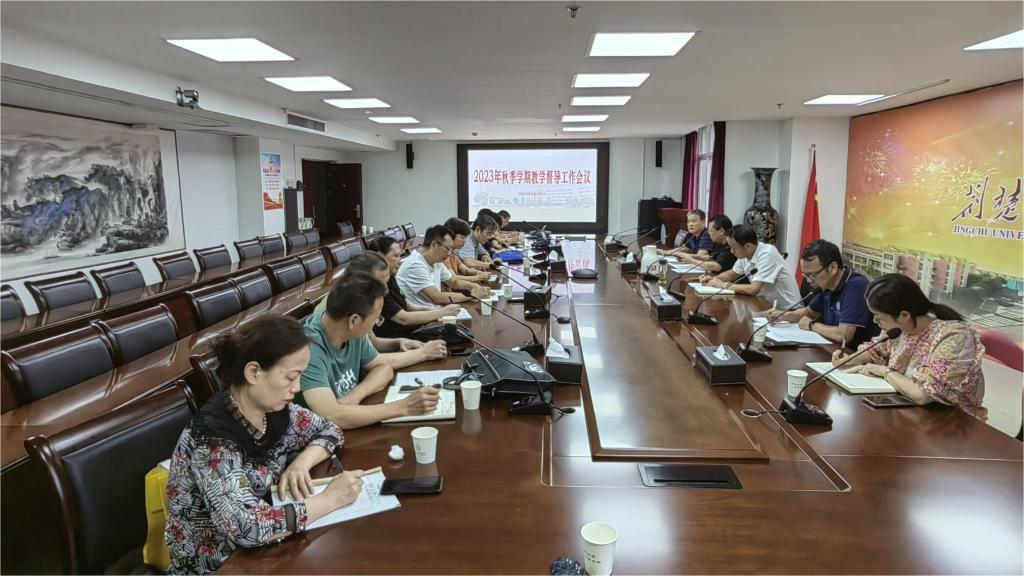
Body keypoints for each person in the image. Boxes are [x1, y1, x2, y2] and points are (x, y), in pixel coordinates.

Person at [165, 315, 366, 574]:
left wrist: (302, 462)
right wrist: (329, 500)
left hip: (266, 552)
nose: (297, 387)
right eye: (290, 377)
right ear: (254, 373)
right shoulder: (212, 443)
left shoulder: (274, 411)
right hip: (219, 566)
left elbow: (330, 430)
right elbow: (248, 527)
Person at [836, 273, 986, 419]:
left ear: (904, 315)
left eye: (878, 316)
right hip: (909, 413)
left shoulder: (954, 336)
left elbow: (922, 394)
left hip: (950, 422)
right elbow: (877, 350)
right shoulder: (902, 329)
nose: (874, 321)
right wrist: (848, 359)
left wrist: (884, 371)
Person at [300, 272, 440, 429]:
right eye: (376, 319)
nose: (375, 324)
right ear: (354, 320)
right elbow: (331, 416)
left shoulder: (350, 331)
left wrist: (356, 395)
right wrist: (404, 407)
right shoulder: (307, 349)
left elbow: (383, 368)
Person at [329, 251, 451, 368]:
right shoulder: (347, 311)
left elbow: (371, 342)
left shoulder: (361, 301)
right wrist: (423, 353)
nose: (386, 290)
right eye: (381, 283)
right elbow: (371, 362)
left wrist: (399, 342)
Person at [769, 239, 879, 349]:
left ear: (833, 268)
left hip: (856, 353)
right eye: (805, 275)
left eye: (812, 274)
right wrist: (783, 315)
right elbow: (809, 312)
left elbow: (844, 335)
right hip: (835, 349)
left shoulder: (856, 286)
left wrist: (812, 325)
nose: (808, 281)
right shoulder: (827, 285)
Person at [368, 236, 463, 338]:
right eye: (395, 256)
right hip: (396, 336)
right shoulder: (376, 285)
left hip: (406, 332)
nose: (399, 261)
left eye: (400, 256)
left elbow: (407, 304)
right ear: (380, 257)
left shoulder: (390, 277)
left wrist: (435, 310)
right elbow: (403, 318)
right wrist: (441, 312)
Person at [702, 224, 801, 307]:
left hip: (787, 310)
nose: (732, 252)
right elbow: (732, 274)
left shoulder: (767, 254)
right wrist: (714, 279)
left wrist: (723, 285)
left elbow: (753, 289)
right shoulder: (745, 253)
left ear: (748, 246)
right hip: (765, 305)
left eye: (734, 248)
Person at [397, 224, 491, 307]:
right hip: (422, 317)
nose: (450, 253)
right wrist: (473, 295)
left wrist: (474, 286)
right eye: (447, 249)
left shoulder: (436, 260)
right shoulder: (415, 265)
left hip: (434, 311)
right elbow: (437, 297)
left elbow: (454, 282)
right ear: (434, 244)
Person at [442, 217, 492, 284]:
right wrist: (477, 278)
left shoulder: (453, 253)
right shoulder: (444, 255)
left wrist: (477, 273)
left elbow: (465, 270)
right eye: (463, 237)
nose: (465, 241)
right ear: (451, 235)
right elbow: (452, 278)